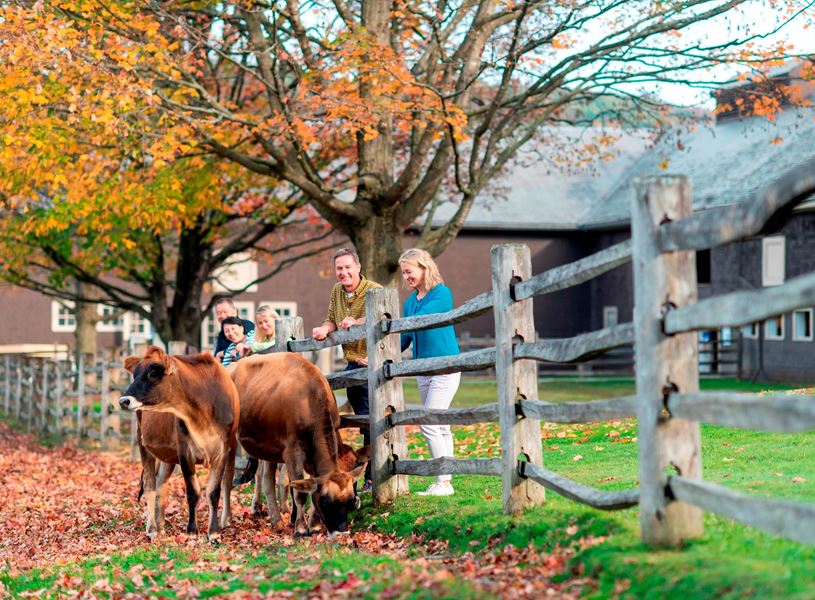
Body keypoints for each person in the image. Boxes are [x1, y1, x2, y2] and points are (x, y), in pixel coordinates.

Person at [312, 247, 381, 491]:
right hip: (352, 366)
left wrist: (357, 322)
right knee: (363, 422)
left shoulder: (374, 290)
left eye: (347, 267)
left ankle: (374, 478)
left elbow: (381, 315)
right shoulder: (337, 291)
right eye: (339, 268)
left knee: (374, 422)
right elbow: (331, 318)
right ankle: (365, 475)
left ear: (358, 267)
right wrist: (324, 329)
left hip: (373, 365)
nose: (343, 273)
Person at [398, 248, 460, 497]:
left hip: (444, 366)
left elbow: (425, 319)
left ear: (424, 267)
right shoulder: (410, 302)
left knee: (430, 423)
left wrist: (401, 323)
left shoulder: (442, 294)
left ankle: (443, 482)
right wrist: (379, 354)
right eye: (403, 273)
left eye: (409, 271)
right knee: (441, 425)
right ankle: (447, 478)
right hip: (421, 369)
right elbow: (405, 337)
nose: (406, 277)